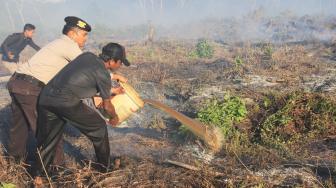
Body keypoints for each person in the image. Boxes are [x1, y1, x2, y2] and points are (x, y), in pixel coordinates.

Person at [34, 43, 130, 180]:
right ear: (112, 61)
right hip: (66, 101)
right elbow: (107, 106)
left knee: (48, 139)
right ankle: (104, 169)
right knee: (99, 127)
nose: (120, 66)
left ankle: (39, 176)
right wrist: (114, 117)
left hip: (46, 97)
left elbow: (82, 80)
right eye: (120, 63)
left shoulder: (87, 56)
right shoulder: (103, 73)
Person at [6, 16, 91, 166]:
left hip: (17, 83)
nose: (86, 39)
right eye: (84, 35)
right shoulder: (69, 45)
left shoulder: (57, 43)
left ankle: (14, 162)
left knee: (20, 126)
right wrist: (110, 78)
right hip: (29, 88)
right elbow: (88, 67)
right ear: (72, 34)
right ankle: (56, 169)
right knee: (49, 130)